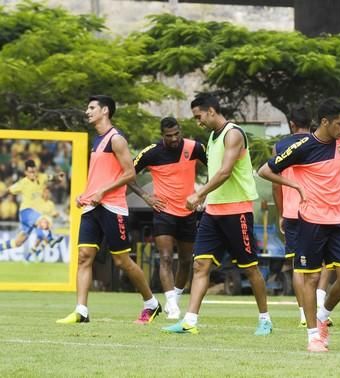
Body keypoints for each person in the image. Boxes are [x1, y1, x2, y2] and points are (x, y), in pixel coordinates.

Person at [162, 94, 272, 336]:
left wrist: (198, 194)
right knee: (201, 265)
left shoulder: (233, 133)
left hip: (237, 212)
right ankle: (190, 321)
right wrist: (206, 199)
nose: (197, 121)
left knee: (250, 268)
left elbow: (224, 172)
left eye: (198, 116)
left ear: (211, 111)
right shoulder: (212, 137)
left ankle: (265, 319)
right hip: (213, 213)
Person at [258, 98, 340, 353]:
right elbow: (264, 171)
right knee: (310, 278)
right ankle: (313, 336)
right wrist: (296, 185)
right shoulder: (303, 146)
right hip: (311, 221)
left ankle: (322, 315)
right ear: (325, 122)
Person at [57, 95, 161, 325]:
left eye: (92, 108)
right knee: (84, 257)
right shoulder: (97, 140)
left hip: (113, 207)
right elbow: (100, 175)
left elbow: (129, 174)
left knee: (122, 261)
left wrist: (102, 191)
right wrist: (84, 195)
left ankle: (151, 304)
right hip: (91, 207)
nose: (87, 111)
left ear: (105, 111)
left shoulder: (117, 139)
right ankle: (81, 311)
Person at [129, 117, 207, 320]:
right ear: (162, 135)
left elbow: (216, 168)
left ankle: (175, 299)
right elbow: (127, 174)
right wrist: (146, 196)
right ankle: (170, 303)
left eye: (176, 134)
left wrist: (202, 195)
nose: (174, 139)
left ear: (180, 131)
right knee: (165, 257)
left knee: (185, 260)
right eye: (169, 136)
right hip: (163, 212)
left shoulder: (195, 147)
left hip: (188, 212)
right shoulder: (151, 152)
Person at [271, 105, 332, 327]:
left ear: (292, 124)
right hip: (319, 211)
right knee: (324, 261)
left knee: (298, 266)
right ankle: (319, 307)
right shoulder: (321, 144)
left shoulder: (280, 146)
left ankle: (303, 315)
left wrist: (280, 213)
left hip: (292, 212)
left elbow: (275, 185)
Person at [0, 160, 62, 257]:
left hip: (35, 215)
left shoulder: (42, 177)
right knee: (44, 219)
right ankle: (50, 240)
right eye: (30, 172)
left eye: (34, 171)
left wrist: (58, 177)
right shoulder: (22, 183)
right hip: (26, 212)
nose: (33, 174)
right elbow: (8, 190)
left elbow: (52, 178)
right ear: (25, 172)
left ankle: (1, 247)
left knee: (19, 242)